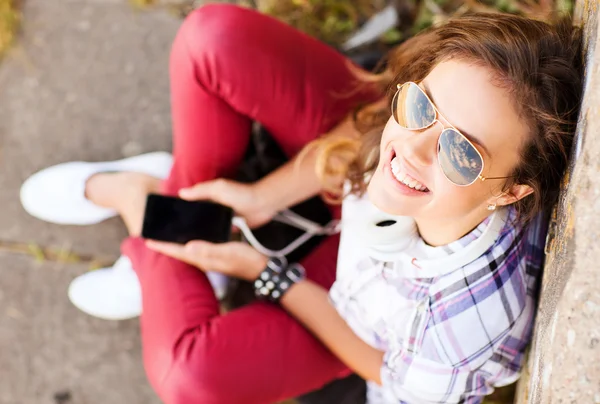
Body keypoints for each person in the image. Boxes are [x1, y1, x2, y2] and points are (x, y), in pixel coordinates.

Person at [19, 3, 583, 404]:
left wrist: (270, 275)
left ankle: (140, 202)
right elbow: (367, 137)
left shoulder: (461, 329)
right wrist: (261, 197)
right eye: (420, 106)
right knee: (211, 36)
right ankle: (179, 226)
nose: (410, 146)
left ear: (512, 191)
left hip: (351, 317)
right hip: (351, 201)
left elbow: (387, 372)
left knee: (187, 378)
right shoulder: (414, 145)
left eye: (462, 152)